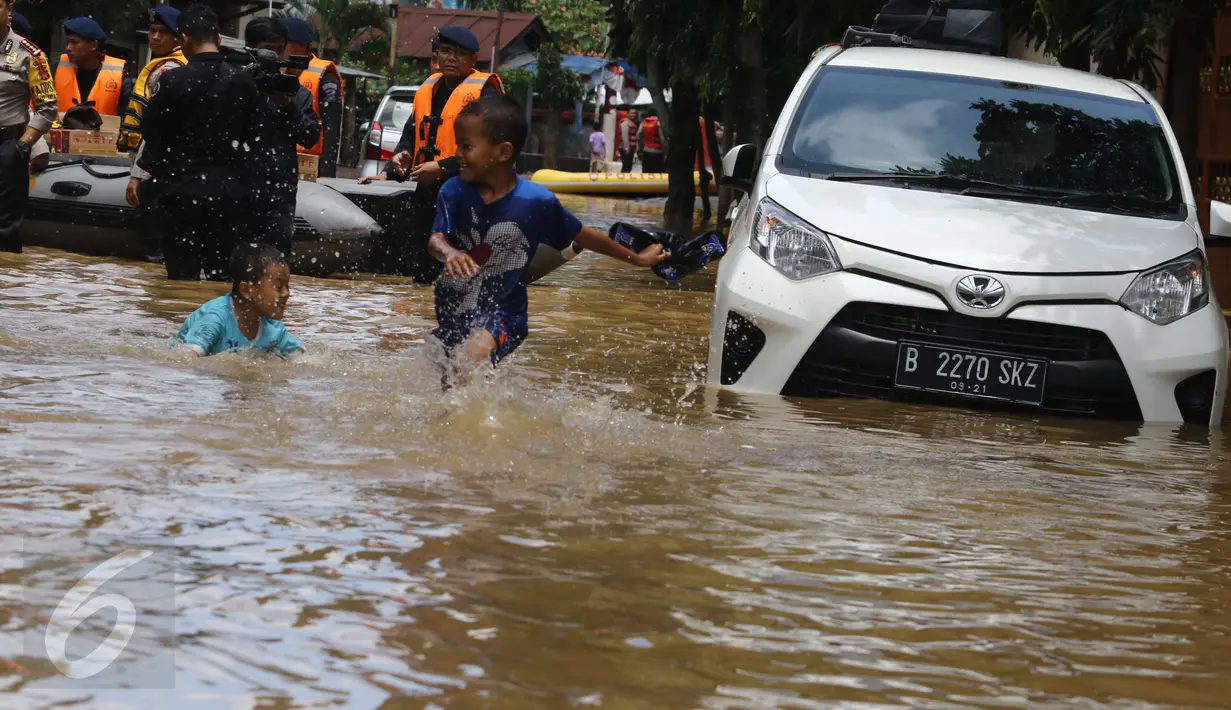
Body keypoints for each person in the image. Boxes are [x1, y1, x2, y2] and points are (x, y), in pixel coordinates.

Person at [427, 94, 668, 370]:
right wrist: (449, 252)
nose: (457, 154)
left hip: (504, 314)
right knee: (453, 383)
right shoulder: (453, 192)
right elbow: (436, 239)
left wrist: (637, 259)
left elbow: (583, 234)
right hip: (454, 307)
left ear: (503, 152)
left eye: (466, 146)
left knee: (470, 358)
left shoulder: (535, 202)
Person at [138, 3, 260, 281]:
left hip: (181, 192)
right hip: (228, 194)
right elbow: (254, 135)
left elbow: (152, 130)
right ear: (218, 39)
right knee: (223, 281)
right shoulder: (243, 82)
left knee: (181, 279)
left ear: (184, 39)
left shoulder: (173, 80)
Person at [386, 26, 503, 281]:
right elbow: (412, 131)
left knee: (461, 272)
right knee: (421, 270)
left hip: (468, 191)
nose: (451, 58)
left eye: (460, 54)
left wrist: (443, 168)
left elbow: (491, 147)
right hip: (427, 192)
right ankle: (417, 316)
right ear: (437, 55)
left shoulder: (486, 93)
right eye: (446, 51)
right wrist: (402, 154)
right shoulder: (428, 89)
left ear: (473, 60)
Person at [242, 18, 319, 256]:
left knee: (275, 261)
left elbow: (309, 136)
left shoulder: (296, 92)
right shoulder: (236, 83)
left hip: (278, 193)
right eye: (268, 49)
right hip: (237, 187)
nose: (274, 56)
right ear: (251, 48)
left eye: (279, 49)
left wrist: (287, 106)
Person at [121, 6, 187, 264]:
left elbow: (155, 131)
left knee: (154, 243)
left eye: (163, 33)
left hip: (157, 169)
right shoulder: (180, 65)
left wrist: (137, 175)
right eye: (152, 31)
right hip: (174, 167)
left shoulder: (165, 71)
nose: (156, 38)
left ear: (178, 37)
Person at [174, 242, 304, 359]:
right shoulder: (215, 318)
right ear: (246, 290)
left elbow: (304, 360)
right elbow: (184, 361)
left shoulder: (272, 326)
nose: (286, 293)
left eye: (287, 286)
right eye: (278, 287)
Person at [0, 0, 57, 254]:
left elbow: (47, 108)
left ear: (9, 9)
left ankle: (10, 286)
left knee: (4, 227)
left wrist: (23, 146)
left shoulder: (30, 54)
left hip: (8, 144)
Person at [279, 17, 341, 178]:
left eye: (282, 41)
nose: (278, 46)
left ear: (300, 45)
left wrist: (327, 173)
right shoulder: (276, 68)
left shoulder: (324, 75)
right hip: (279, 160)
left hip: (309, 166)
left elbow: (331, 127)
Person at [55, 17, 125, 116]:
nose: (68, 48)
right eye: (67, 43)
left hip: (103, 131)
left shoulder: (120, 75)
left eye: (74, 43)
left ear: (93, 45)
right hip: (63, 130)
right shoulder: (57, 69)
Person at [638, 109, 665, 174]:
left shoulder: (643, 123)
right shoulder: (658, 123)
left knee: (646, 173)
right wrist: (664, 151)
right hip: (657, 152)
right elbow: (662, 139)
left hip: (646, 151)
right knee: (657, 174)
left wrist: (640, 149)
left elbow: (638, 135)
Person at [618, 109, 638, 173]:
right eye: (632, 113)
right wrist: (626, 148)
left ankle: (624, 180)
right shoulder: (626, 123)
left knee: (628, 166)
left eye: (635, 113)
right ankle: (622, 181)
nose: (634, 115)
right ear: (627, 114)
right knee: (626, 167)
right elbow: (624, 136)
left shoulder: (631, 122)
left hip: (630, 148)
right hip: (626, 148)